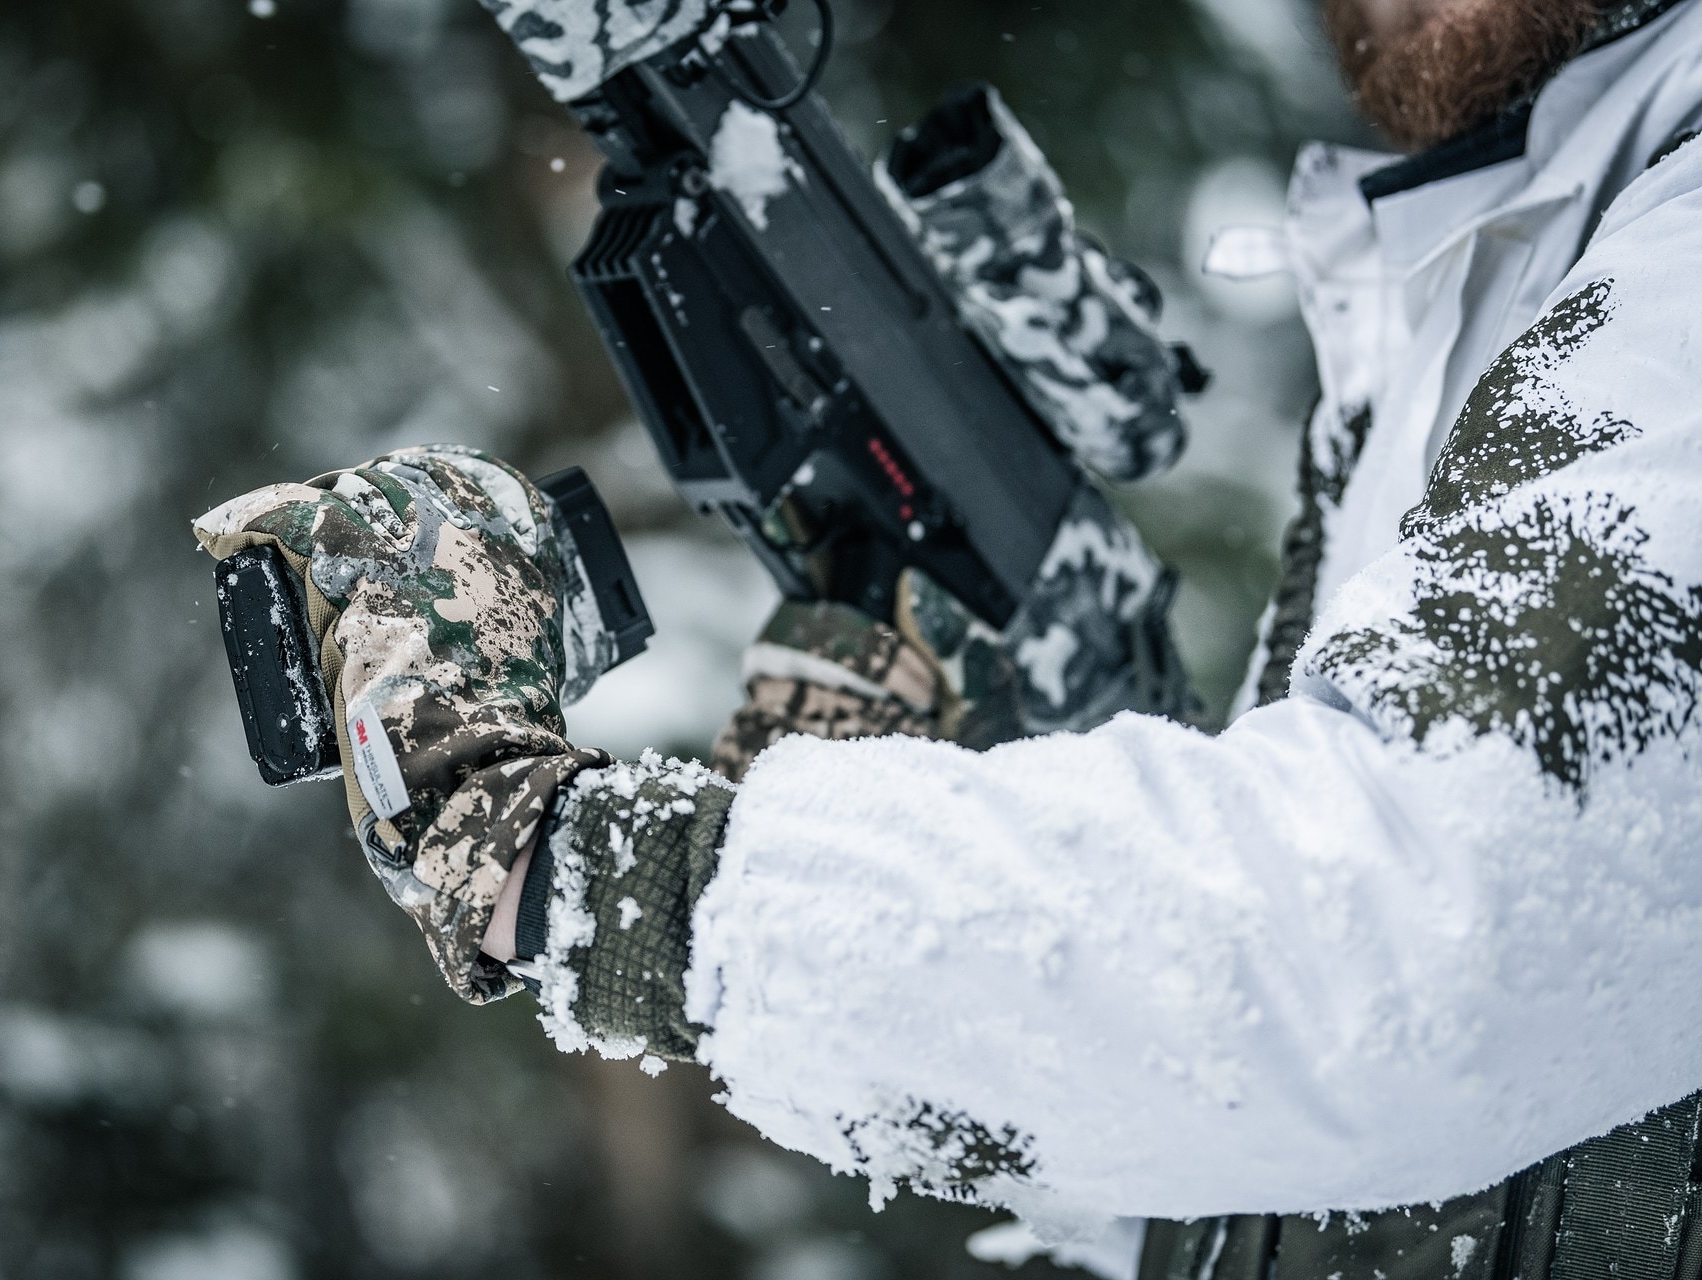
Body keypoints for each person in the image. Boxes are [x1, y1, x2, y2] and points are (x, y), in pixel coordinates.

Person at [191, 1, 1702, 1276]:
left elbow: (1394, 954)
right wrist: (944, 824)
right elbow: (1280, 1129)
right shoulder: (1470, 284)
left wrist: (574, 869)